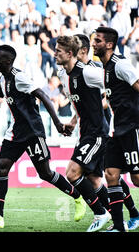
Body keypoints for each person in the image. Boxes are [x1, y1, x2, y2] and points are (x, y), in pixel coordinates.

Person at [0, 44, 86, 229]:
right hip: (16, 132)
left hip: (33, 132)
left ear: (8, 61)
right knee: (1, 168)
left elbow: (43, 95)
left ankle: (77, 197)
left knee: (45, 173)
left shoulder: (20, 78)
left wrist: (57, 123)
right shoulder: (2, 80)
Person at [76, 33, 139, 231]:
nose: (94, 44)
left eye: (98, 41)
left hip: (131, 129)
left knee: (137, 178)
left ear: (109, 44)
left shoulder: (120, 64)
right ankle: (119, 226)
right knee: (111, 174)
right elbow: (110, 97)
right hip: (115, 131)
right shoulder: (104, 68)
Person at [54, 35, 111, 232]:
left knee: (72, 173)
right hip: (84, 132)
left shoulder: (88, 73)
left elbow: (114, 80)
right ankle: (119, 217)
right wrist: (72, 122)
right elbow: (79, 103)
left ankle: (100, 213)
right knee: (94, 180)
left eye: (58, 51)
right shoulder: (63, 74)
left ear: (70, 54)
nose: (54, 54)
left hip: (97, 132)